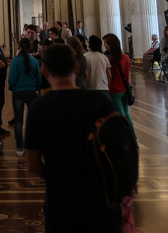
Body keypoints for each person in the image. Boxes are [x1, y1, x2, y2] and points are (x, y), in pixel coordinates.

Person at [25, 43, 124, 232]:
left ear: (44, 71)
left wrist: (55, 176)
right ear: (77, 68)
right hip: (102, 199)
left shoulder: (38, 108)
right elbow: (119, 147)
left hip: (61, 200)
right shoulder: (102, 101)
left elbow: (33, 164)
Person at [8, 37, 40, 157]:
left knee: (18, 121)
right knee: (33, 120)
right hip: (32, 92)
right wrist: (36, 88)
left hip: (18, 93)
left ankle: (20, 148)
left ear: (19, 47)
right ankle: (33, 146)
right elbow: (39, 79)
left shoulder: (15, 61)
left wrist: (12, 88)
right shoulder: (34, 61)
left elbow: (11, 79)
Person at [103, 33, 136, 140]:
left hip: (115, 89)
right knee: (126, 114)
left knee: (120, 115)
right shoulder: (126, 57)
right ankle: (134, 138)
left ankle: (126, 138)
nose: (104, 45)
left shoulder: (112, 60)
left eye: (106, 43)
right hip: (125, 88)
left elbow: (110, 76)